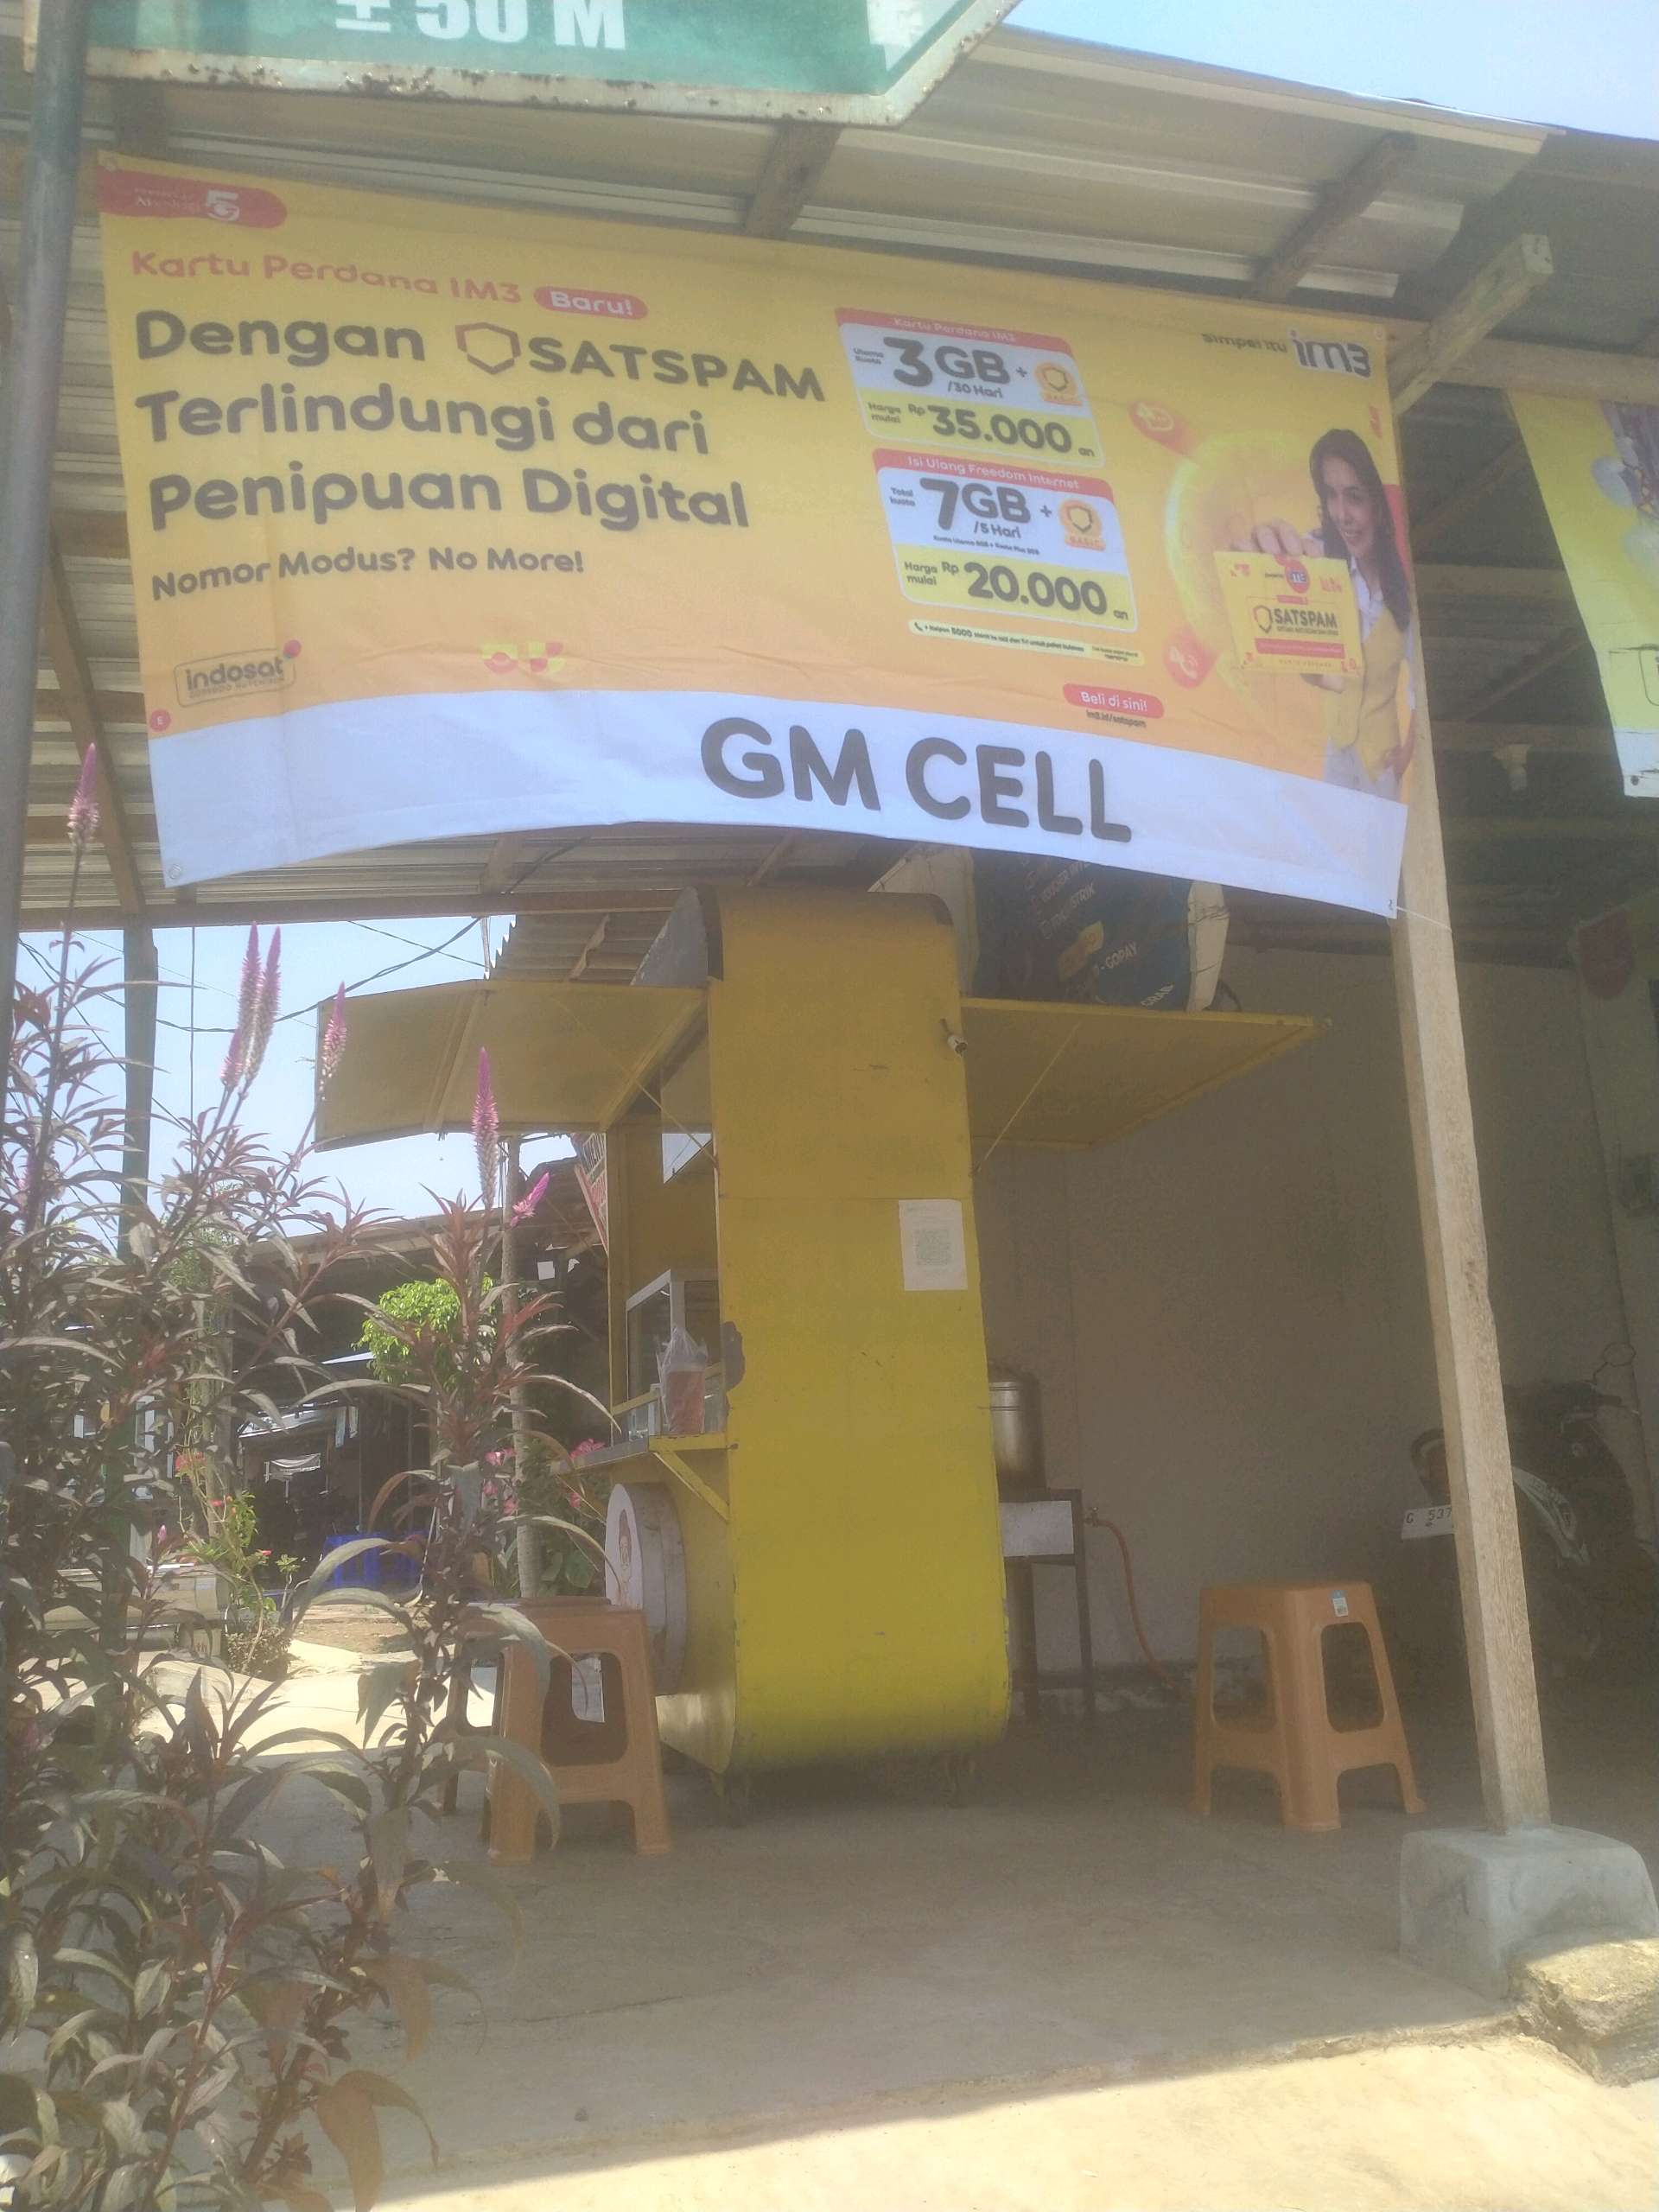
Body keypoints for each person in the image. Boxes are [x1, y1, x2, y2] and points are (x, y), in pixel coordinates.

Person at [1242, 428, 1418, 800]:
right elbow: (1316, 671)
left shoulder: (1403, 594)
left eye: (1354, 497)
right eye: (1331, 496)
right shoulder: (1319, 566)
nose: (1342, 514)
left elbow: (1420, 689)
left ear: (1379, 506)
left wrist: (1404, 756)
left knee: (1377, 838)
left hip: (1380, 761)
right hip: (1336, 750)